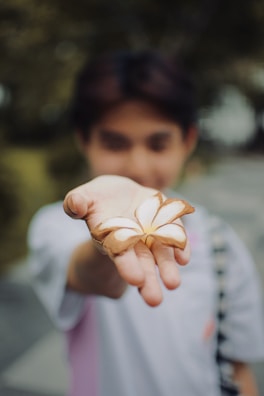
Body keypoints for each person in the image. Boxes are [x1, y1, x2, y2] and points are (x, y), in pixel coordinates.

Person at [28, 50, 264, 396]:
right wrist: (104, 243)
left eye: (158, 144)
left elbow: (237, 369)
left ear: (187, 141)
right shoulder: (58, 224)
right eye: (114, 143)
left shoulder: (221, 243)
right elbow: (88, 274)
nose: (138, 167)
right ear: (84, 140)